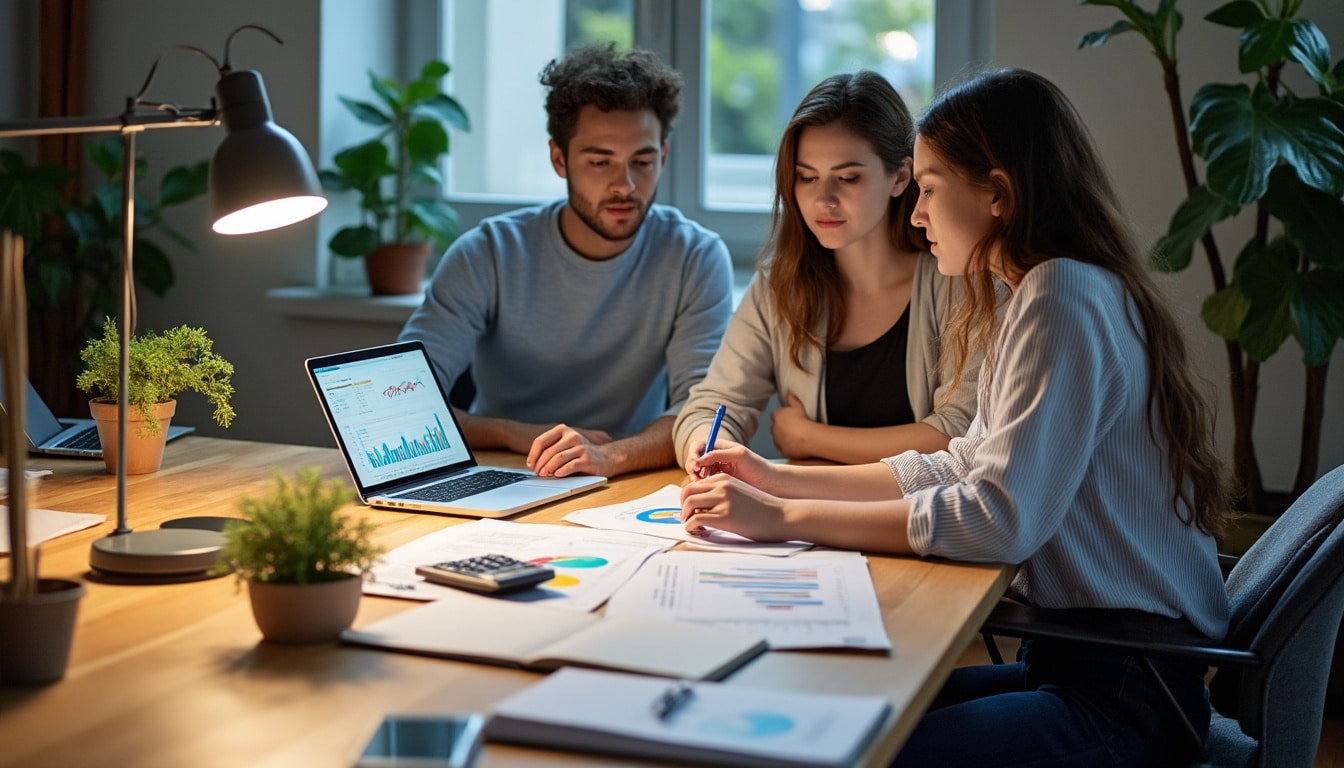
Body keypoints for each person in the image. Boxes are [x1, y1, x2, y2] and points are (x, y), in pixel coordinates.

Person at [679, 67, 1232, 767]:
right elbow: (962, 461)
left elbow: (999, 517)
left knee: (859, 750)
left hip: (1127, 689)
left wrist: (784, 519)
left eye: (931, 189)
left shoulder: (1059, 299)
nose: (916, 215)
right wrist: (777, 479)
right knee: (843, 715)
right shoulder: (1044, 289)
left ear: (997, 194)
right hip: (1082, 661)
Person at [399, 44, 733, 479]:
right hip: (504, 473)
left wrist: (609, 457)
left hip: (625, 476)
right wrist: (513, 434)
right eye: (600, 162)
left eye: (642, 161)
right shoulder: (488, 253)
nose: (625, 185)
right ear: (559, 159)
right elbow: (405, 402)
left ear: (664, 157)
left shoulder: (695, 257)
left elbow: (699, 411)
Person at [673, 71, 979, 471]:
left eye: (847, 178)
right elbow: (714, 403)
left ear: (900, 177)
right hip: (806, 509)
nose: (824, 199)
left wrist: (810, 437)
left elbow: (958, 435)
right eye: (807, 177)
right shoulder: (780, 286)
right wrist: (702, 443)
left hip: (915, 509)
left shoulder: (959, 283)